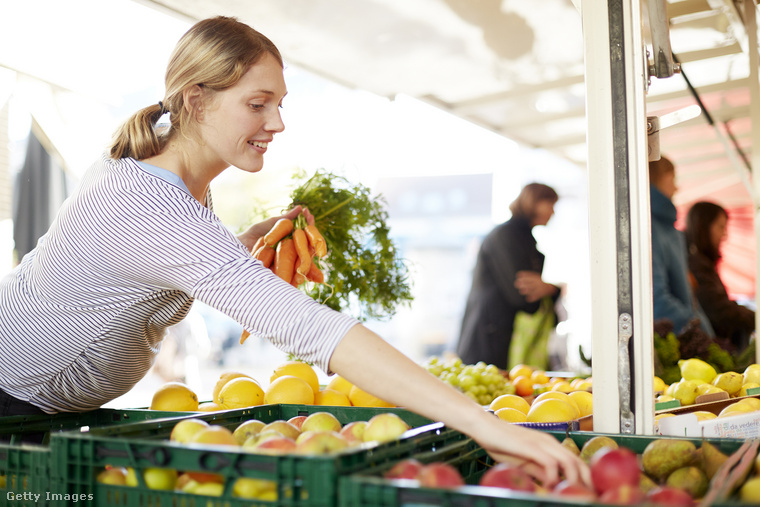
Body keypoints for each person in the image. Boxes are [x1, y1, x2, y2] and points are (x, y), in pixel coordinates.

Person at [0, 17, 587, 486]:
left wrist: (237, 243)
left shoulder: (176, 186)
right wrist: (485, 425)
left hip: (47, 410)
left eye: (280, 103)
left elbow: (131, 265)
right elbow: (311, 328)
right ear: (196, 100)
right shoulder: (148, 201)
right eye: (257, 104)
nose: (277, 122)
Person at [456, 183, 561, 370]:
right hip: (489, 343)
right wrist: (552, 288)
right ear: (534, 202)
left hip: (495, 338)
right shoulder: (507, 236)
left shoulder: (518, 237)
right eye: (550, 204)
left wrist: (549, 288)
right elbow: (525, 298)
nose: (553, 212)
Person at [649, 156, 714, 336]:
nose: (676, 188)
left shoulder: (667, 230)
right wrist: (702, 333)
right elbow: (656, 299)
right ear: (656, 179)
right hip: (673, 343)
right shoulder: (650, 229)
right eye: (673, 179)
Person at [686, 201, 754, 351]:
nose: (725, 235)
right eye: (721, 227)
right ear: (703, 227)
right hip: (708, 347)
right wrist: (755, 318)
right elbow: (718, 309)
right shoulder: (695, 264)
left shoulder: (700, 261)